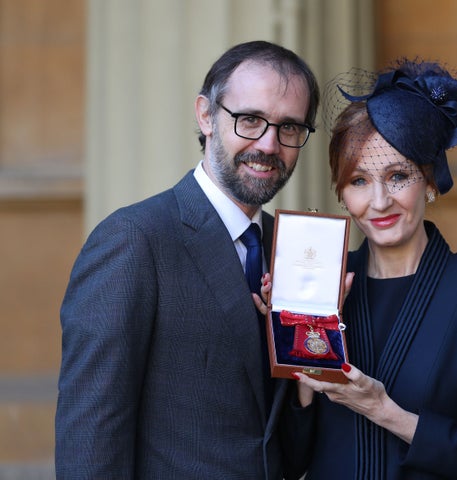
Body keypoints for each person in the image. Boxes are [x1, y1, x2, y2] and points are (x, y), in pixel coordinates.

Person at [55, 40, 319, 479]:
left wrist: (309, 378)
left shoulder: (290, 250)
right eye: (250, 119)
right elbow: (91, 439)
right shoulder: (134, 240)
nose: (269, 144)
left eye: (289, 127)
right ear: (206, 115)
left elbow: (279, 447)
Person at [287, 60, 457, 479]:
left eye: (398, 175)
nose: (379, 201)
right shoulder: (321, 280)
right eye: (358, 180)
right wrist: (300, 363)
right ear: (341, 192)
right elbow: (290, 462)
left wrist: (385, 412)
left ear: (431, 180)